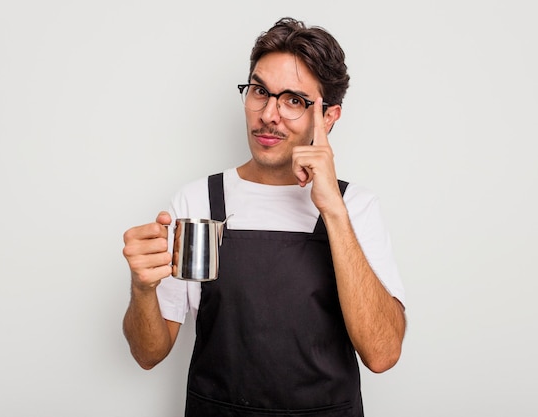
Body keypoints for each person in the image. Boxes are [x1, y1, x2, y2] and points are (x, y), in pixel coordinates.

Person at [122, 17, 406, 417]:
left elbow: (383, 353)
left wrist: (333, 212)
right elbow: (148, 354)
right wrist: (142, 289)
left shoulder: (355, 206)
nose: (269, 114)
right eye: (260, 91)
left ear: (328, 117)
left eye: (293, 100)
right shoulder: (198, 201)